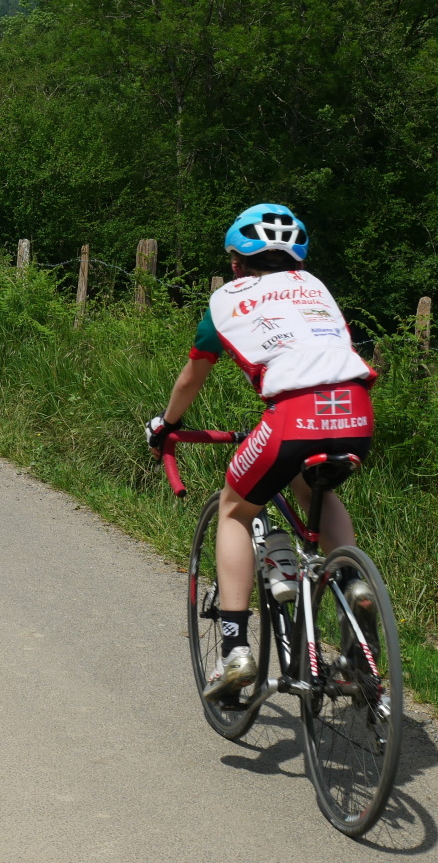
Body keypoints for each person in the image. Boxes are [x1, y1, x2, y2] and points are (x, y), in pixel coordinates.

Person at [145, 203, 377, 699]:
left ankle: (235, 652)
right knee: (313, 486)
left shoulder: (226, 298)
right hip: (355, 410)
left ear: (235, 263)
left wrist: (168, 425)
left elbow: (192, 377)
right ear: (298, 259)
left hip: (291, 416)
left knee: (233, 509)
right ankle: (351, 583)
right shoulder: (317, 289)